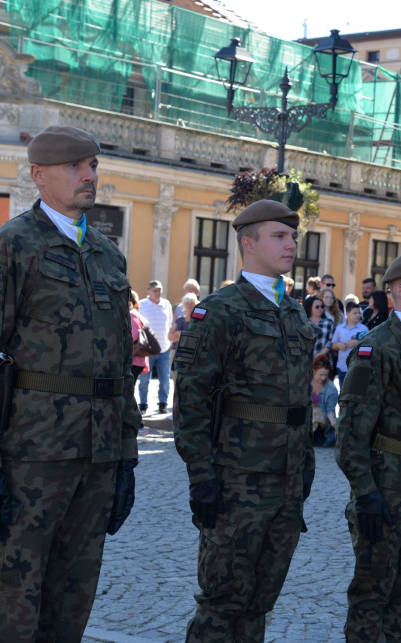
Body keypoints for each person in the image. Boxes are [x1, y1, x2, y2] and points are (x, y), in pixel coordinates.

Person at [0, 125, 139, 641]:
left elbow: (121, 366)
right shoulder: (10, 247)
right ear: (39, 175)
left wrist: (125, 456)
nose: (89, 176)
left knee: (71, 605)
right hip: (31, 456)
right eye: (75, 166)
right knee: (10, 607)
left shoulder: (107, 254)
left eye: (93, 166)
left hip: (97, 456)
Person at [172, 199, 315, 641]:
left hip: (287, 479)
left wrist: (305, 468)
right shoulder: (219, 310)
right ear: (248, 244)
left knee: (260, 601)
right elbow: (190, 399)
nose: (291, 243)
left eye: (293, 236)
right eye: (280, 236)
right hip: (236, 479)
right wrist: (201, 476)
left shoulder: (293, 311)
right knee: (223, 600)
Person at [335, 248, 401, 642]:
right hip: (386, 490)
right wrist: (365, 494)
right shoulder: (376, 347)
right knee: (371, 596)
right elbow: (350, 434)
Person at [139, 280, 173, 415]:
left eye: (159, 290)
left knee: (165, 379)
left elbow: (169, 322)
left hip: (164, 348)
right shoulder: (142, 304)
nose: (158, 293)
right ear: (148, 291)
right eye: (155, 290)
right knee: (144, 380)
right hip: (147, 349)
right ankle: (143, 404)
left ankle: (163, 403)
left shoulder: (166, 304)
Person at [331, 301, 368, 384]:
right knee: (343, 394)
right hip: (343, 367)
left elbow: (369, 347)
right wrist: (338, 345)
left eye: (359, 312)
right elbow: (333, 345)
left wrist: (357, 343)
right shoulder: (340, 328)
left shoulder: (364, 329)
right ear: (347, 314)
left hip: (358, 367)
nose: (358, 315)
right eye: (354, 313)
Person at [129, 291, 150, 434]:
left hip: (134, 360)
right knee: (129, 391)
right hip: (139, 360)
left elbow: (134, 335)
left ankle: (139, 424)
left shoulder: (132, 315)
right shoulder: (138, 314)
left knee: (128, 392)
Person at [310, 357, 338, 447]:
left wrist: (333, 421)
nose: (323, 378)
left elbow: (330, 409)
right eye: (321, 375)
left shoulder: (331, 388)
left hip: (323, 419)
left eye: (326, 375)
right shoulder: (305, 383)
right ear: (314, 370)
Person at [307, 295, 335, 369]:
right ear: (311, 308)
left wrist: (319, 355)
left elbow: (331, 341)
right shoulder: (304, 323)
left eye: (322, 306)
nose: (320, 308)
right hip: (306, 362)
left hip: (324, 361)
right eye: (317, 307)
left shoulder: (329, 323)